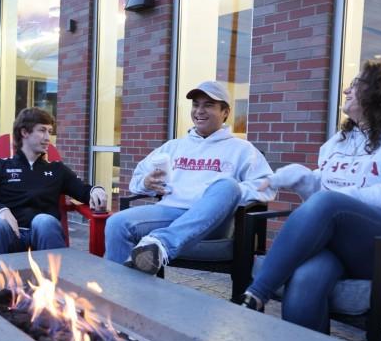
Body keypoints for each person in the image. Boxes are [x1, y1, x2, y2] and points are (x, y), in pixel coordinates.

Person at [242, 58, 381, 334]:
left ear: (380, 92)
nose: (346, 91)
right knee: (305, 281)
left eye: (355, 84)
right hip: (348, 245)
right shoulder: (340, 141)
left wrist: (340, 198)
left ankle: (256, 294)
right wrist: (297, 178)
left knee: (329, 203)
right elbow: (325, 190)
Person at [105, 80, 275, 274]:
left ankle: (161, 244)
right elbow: (136, 180)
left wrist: (227, 193)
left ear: (225, 112)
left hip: (211, 220)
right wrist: (146, 182)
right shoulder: (173, 147)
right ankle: (120, 294)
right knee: (116, 223)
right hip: (169, 213)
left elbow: (268, 185)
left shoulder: (242, 149)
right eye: (196, 105)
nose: (199, 111)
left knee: (227, 185)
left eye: (208, 105)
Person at [0, 107, 108, 256]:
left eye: (50, 132)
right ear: (24, 132)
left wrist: (95, 190)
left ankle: (55, 277)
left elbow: (82, 190)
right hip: (9, 233)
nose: (48, 138)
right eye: (42, 130)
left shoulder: (57, 169)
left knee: (44, 220)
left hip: (44, 234)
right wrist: (1, 210)